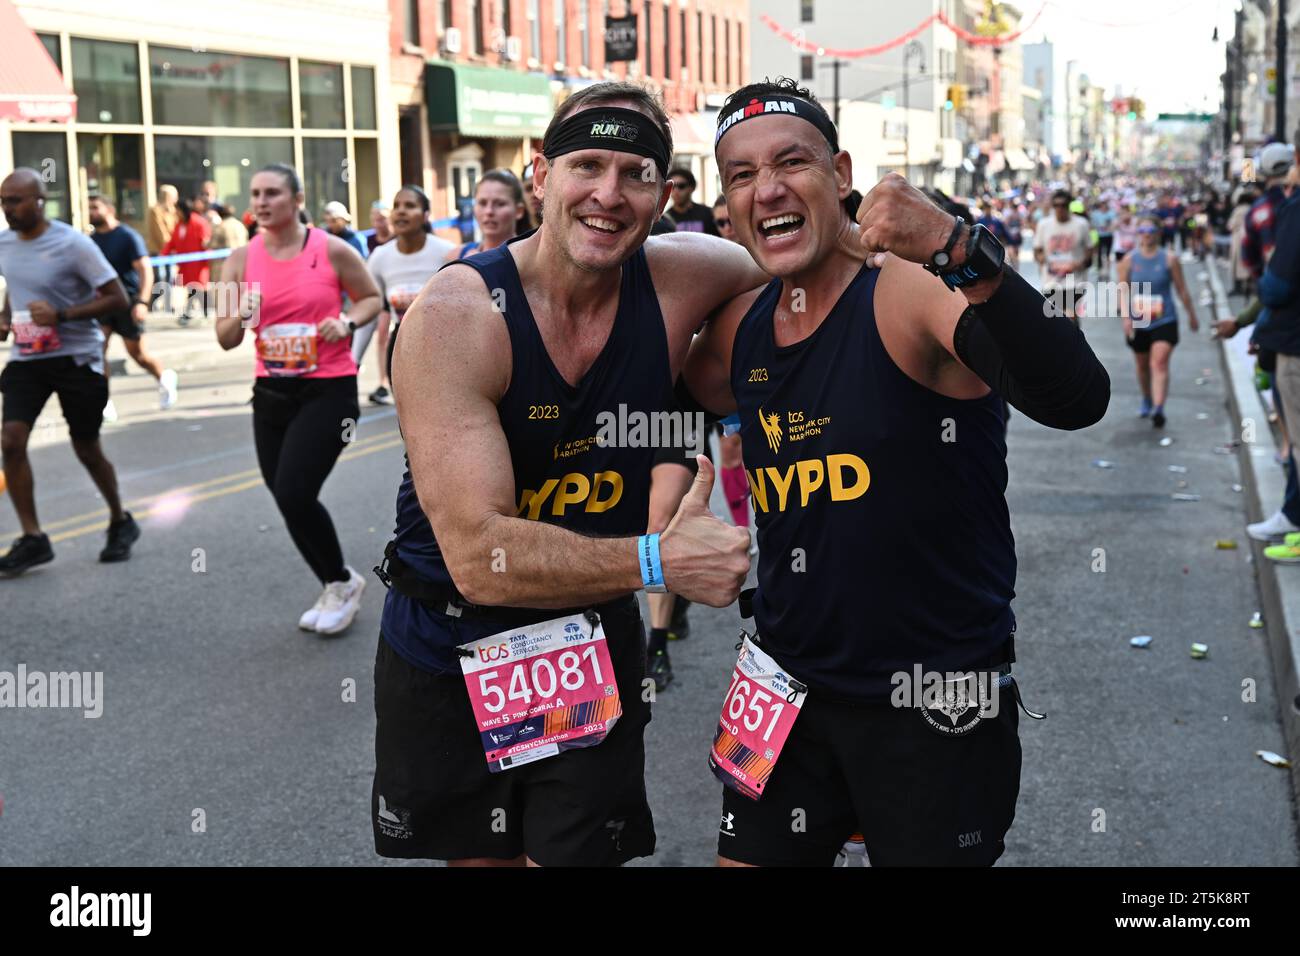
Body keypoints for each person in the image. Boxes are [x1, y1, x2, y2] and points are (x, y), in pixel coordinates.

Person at [680, 77, 1108, 867]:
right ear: (726, 200)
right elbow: (628, 395)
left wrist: (959, 249)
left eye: (791, 162)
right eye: (740, 175)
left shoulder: (907, 292)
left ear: (842, 174)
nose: (766, 187)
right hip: (782, 685)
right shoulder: (741, 328)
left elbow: (1077, 395)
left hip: (932, 694)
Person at [372, 81, 767, 867]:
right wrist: (660, 560)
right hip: (453, 632)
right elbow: (481, 560)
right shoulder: (459, 314)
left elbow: (808, 269)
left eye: (636, 173)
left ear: (665, 194)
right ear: (540, 177)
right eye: (586, 164)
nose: (608, 195)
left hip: (581, 632)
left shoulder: (691, 276)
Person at [214, 163, 382, 634]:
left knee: (294, 490)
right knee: (286, 498)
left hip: (328, 389)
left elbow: (371, 299)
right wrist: (242, 313)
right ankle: (338, 581)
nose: (262, 202)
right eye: (255, 194)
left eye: (272, 193)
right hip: (271, 393)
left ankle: (339, 583)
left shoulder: (330, 249)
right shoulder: (240, 259)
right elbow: (225, 337)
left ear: (297, 198)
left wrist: (347, 323)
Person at [0, 168, 140, 574]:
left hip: (77, 359)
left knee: (86, 448)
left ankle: (120, 520)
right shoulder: (5, 243)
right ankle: (33, 538)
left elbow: (117, 297)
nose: (7, 209)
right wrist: (7, 317)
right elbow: (17, 285)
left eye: (16, 200)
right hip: (28, 358)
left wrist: (62, 315)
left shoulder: (72, 243)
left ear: (40, 201)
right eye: (3, 201)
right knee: (11, 440)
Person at [359, 185, 456, 406]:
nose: (401, 211)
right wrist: (352, 362)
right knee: (411, 425)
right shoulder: (380, 257)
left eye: (410, 206)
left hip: (444, 349)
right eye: (396, 206)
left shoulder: (447, 252)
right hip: (402, 349)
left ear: (425, 216)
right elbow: (369, 311)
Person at [87, 194, 179, 415]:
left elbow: (145, 270)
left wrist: (142, 302)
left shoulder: (127, 236)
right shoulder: (91, 240)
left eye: (95, 207)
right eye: (89, 207)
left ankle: (164, 377)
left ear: (109, 209)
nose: (91, 211)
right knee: (98, 352)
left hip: (127, 302)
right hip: (102, 304)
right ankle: (104, 401)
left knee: (138, 355)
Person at [1118, 216, 1199, 427]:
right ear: (1138, 233)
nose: (1146, 233)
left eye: (1151, 229)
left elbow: (1181, 289)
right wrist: (1126, 317)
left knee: (1159, 362)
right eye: (1142, 229)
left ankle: (1159, 408)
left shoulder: (1169, 259)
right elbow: (1122, 291)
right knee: (1142, 364)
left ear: (1158, 232)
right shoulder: (1129, 260)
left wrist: (1192, 315)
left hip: (1165, 319)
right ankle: (1147, 397)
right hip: (1139, 320)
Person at [1033, 189, 1093, 324]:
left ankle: (1074, 343)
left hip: (1075, 281)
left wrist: (1082, 263)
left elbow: (1089, 249)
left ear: (1069, 205)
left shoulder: (1081, 224)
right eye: (1056, 205)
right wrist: (1041, 258)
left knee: (1070, 317)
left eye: (1063, 205)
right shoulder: (1044, 225)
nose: (1060, 209)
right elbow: (1037, 250)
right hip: (1051, 281)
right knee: (1055, 320)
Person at [450, 169, 527, 260]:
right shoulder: (457, 256)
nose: (489, 211)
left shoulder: (531, 258)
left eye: (500, 204)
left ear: (519, 211)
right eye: (482, 203)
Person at [161, 196, 213, 325]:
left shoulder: (199, 223)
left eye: (177, 209)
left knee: (197, 288)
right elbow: (172, 242)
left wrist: (207, 258)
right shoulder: (179, 225)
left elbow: (205, 242)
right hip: (185, 264)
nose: (175, 212)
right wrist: (163, 256)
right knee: (193, 289)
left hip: (198, 264)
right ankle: (200, 311)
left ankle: (192, 313)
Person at [145, 184, 180, 314]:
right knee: (159, 276)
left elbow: (176, 229)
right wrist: (169, 246)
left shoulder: (173, 211)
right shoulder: (155, 210)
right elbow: (160, 231)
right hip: (159, 250)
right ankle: (153, 303)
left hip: (170, 250)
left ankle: (168, 303)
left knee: (170, 277)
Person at [667, 167, 720, 235]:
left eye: (681, 186)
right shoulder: (665, 219)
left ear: (692, 188)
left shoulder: (708, 214)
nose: (676, 191)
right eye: (672, 187)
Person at [208, 202, 249, 284]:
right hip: (242, 263)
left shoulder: (220, 227)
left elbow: (213, 244)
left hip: (224, 265)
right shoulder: (240, 225)